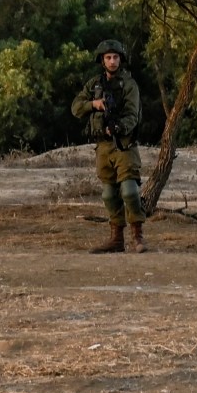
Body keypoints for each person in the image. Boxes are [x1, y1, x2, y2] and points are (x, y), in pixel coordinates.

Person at [77, 39, 146, 254]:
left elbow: (133, 115)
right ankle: (116, 239)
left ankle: (138, 236)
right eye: (108, 57)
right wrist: (93, 104)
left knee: (129, 191)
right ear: (102, 60)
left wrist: (118, 127)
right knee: (108, 194)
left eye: (116, 57)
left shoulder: (129, 84)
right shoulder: (94, 84)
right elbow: (76, 108)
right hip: (104, 147)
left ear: (121, 60)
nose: (112, 61)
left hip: (124, 144)